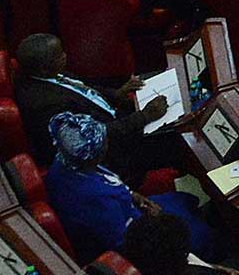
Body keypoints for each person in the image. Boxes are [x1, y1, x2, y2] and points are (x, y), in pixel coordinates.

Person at [45, 111, 211, 262]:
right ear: (94, 156)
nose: (107, 142)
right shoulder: (97, 200)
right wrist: (152, 222)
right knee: (204, 237)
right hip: (142, 239)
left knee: (183, 201)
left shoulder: (66, 161)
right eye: (104, 142)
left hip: (135, 210)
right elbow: (125, 244)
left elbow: (108, 181)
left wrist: (134, 196)